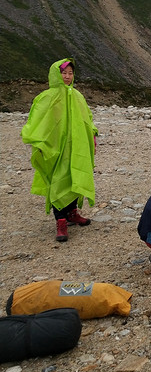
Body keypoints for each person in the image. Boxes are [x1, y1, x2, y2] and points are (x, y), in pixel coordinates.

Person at [21, 59, 97, 242]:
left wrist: (92, 136)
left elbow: (87, 118)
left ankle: (72, 213)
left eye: (70, 73)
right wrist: (38, 142)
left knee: (74, 179)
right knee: (58, 182)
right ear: (56, 74)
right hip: (56, 149)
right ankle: (61, 222)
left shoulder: (77, 96)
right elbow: (37, 121)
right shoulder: (47, 97)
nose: (67, 77)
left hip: (76, 148)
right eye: (64, 73)